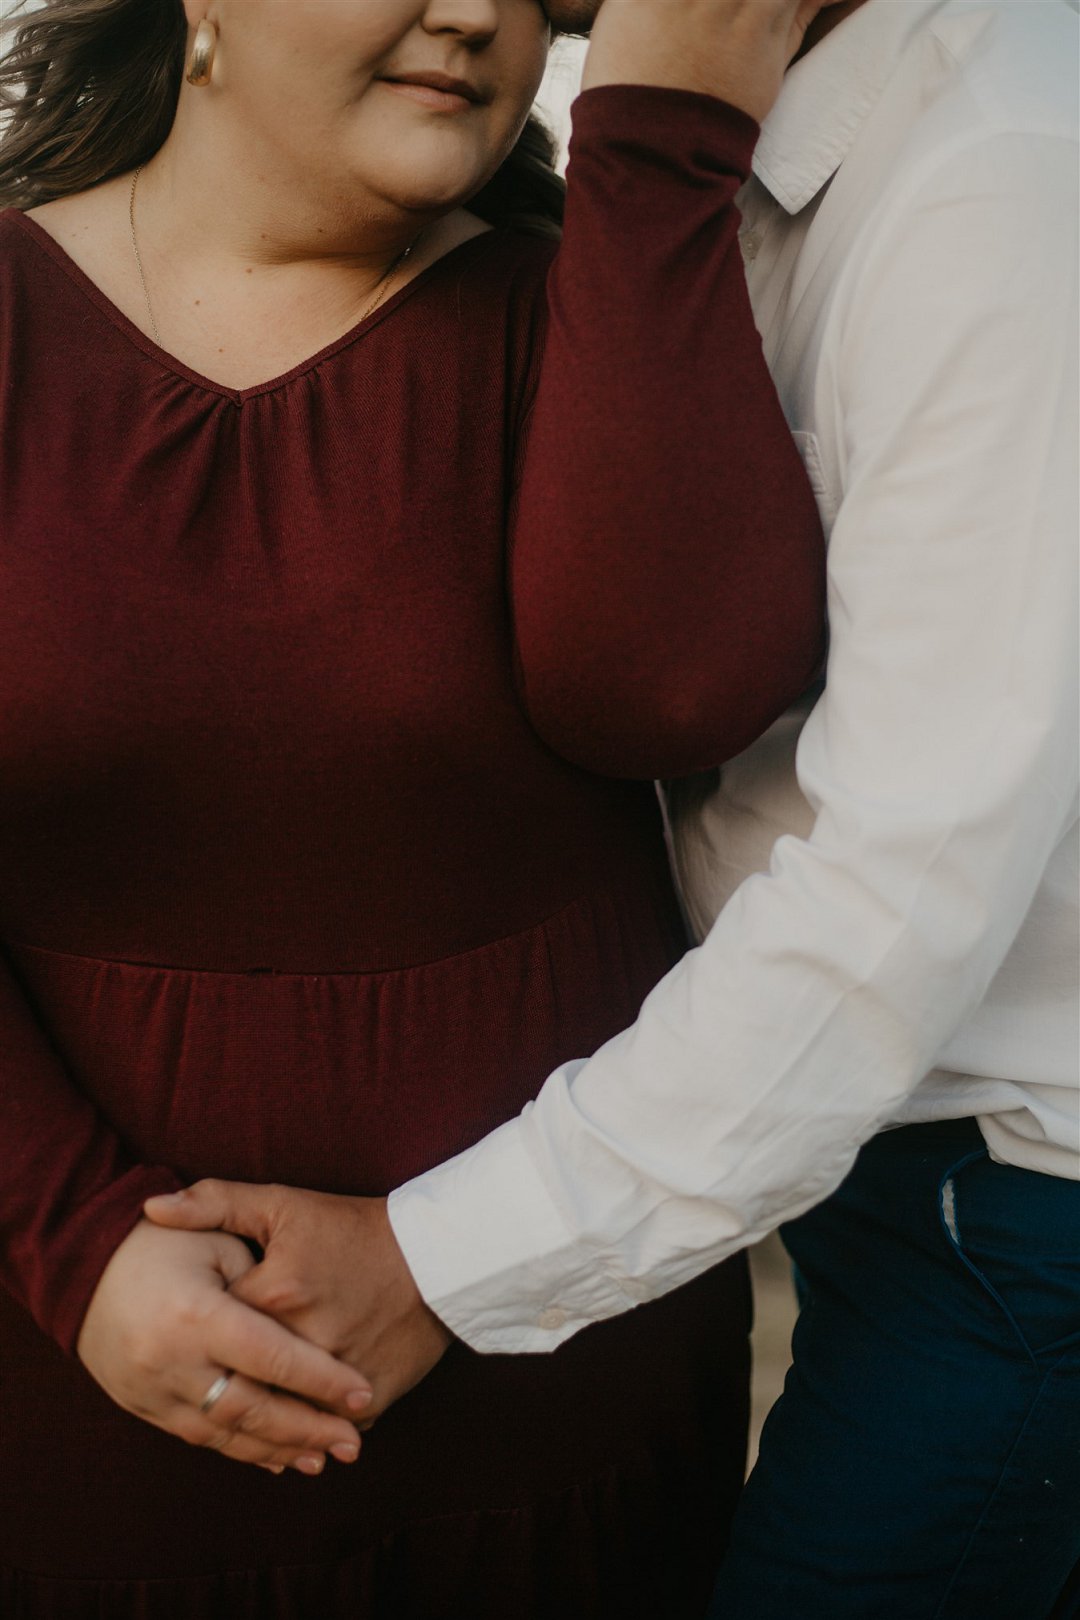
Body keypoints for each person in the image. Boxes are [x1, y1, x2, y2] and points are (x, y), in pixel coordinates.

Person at [151, 0, 1080, 1615]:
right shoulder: (788, 141)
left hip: (1016, 1209)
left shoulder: (1003, 170)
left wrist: (444, 1261)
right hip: (854, 1162)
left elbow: (894, 883)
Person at [0, 0, 830, 1612]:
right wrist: (75, 1246)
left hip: (553, 1399)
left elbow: (677, 689)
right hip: (75, 1402)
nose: (476, 14)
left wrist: (657, 148)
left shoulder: (580, 312)